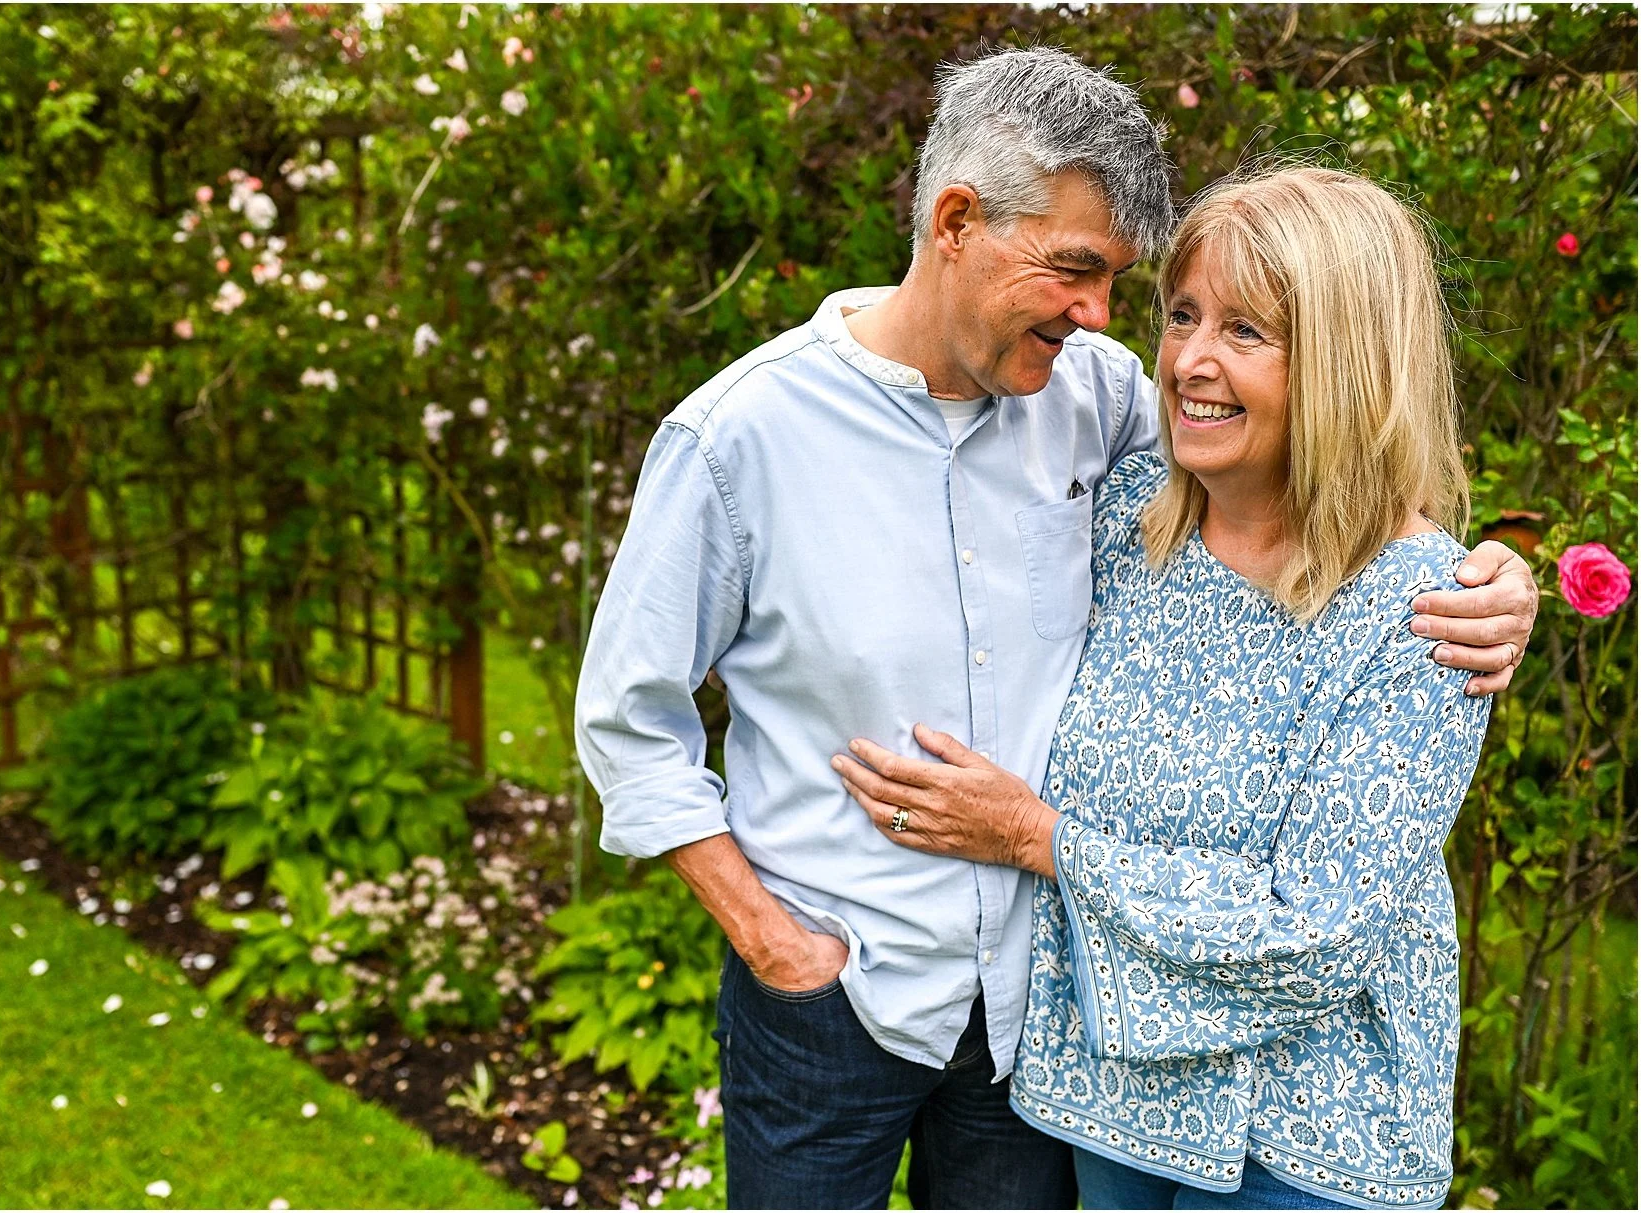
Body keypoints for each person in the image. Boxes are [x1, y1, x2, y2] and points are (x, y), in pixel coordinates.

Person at [575, 47, 1536, 1211]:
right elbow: (628, 721)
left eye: (1120, 285)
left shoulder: (1099, 400)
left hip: (1032, 1014)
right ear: (955, 221)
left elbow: (1309, 465)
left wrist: (1483, 576)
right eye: (1076, 271)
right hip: (833, 993)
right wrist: (777, 948)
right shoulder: (739, 437)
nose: (1102, 320)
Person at [833, 165, 1495, 1209]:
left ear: (1346, 360)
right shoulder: (1128, 516)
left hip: (1306, 1141)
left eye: (1245, 330)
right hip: (1113, 1106)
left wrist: (1037, 839)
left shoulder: (1424, 615)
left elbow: (1315, 933)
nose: (1188, 361)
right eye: (1182, 315)